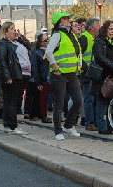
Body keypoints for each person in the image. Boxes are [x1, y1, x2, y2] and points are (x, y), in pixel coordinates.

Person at [45, 12, 83, 141]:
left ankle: (68, 125)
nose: (68, 20)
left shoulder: (71, 35)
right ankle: (58, 131)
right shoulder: (57, 35)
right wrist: (55, 67)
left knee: (78, 100)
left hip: (72, 74)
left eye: (68, 18)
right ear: (59, 22)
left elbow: (78, 52)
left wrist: (79, 65)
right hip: (59, 75)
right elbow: (48, 51)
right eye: (65, 18)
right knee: (59, 104)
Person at [0, 22, 28, 135]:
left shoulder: (16, 42)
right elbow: (2, 61)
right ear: (5, 31)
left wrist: (21, 37)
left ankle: (9, 125)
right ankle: (12, 126)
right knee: (11, 102)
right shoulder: (3, 44)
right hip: (12, 76)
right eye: (12, 29)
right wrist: (7, 76)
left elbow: (29, 47)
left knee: (15, 102)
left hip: (19, 75)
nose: (15, 31)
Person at [91, 20, 113, 134]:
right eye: (110, 29)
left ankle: (109, 125)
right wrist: (111, 64)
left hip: (110, 75)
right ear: (105, 29)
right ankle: (101, 126)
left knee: (108, 101)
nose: (112, 32)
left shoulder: (110, 41)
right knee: (101, 100)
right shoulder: (99, 41)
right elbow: (99, 56)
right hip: (101, 75)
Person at [79, 18, 100, 131]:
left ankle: (94, 122)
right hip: (87, 74)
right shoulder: (84, 38)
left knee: (95, 99)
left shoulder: (94, 38)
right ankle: (89, 122)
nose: (100, 28)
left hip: (95, 73)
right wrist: (85, 67)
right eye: (98, 25)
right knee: (89, 98)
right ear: (91, 27)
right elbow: (78, 55)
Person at [30, 33, 52, 123]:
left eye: (48, 40)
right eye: (45, 40)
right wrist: (38, 82)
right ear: (40, 43)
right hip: (43, 79)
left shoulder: (50, 51)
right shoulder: (38, 53)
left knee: (49, 99)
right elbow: (35, 68)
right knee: (43, 99)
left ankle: (43, 115)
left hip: (51, 78)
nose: (47, 42)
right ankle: (43, 116)